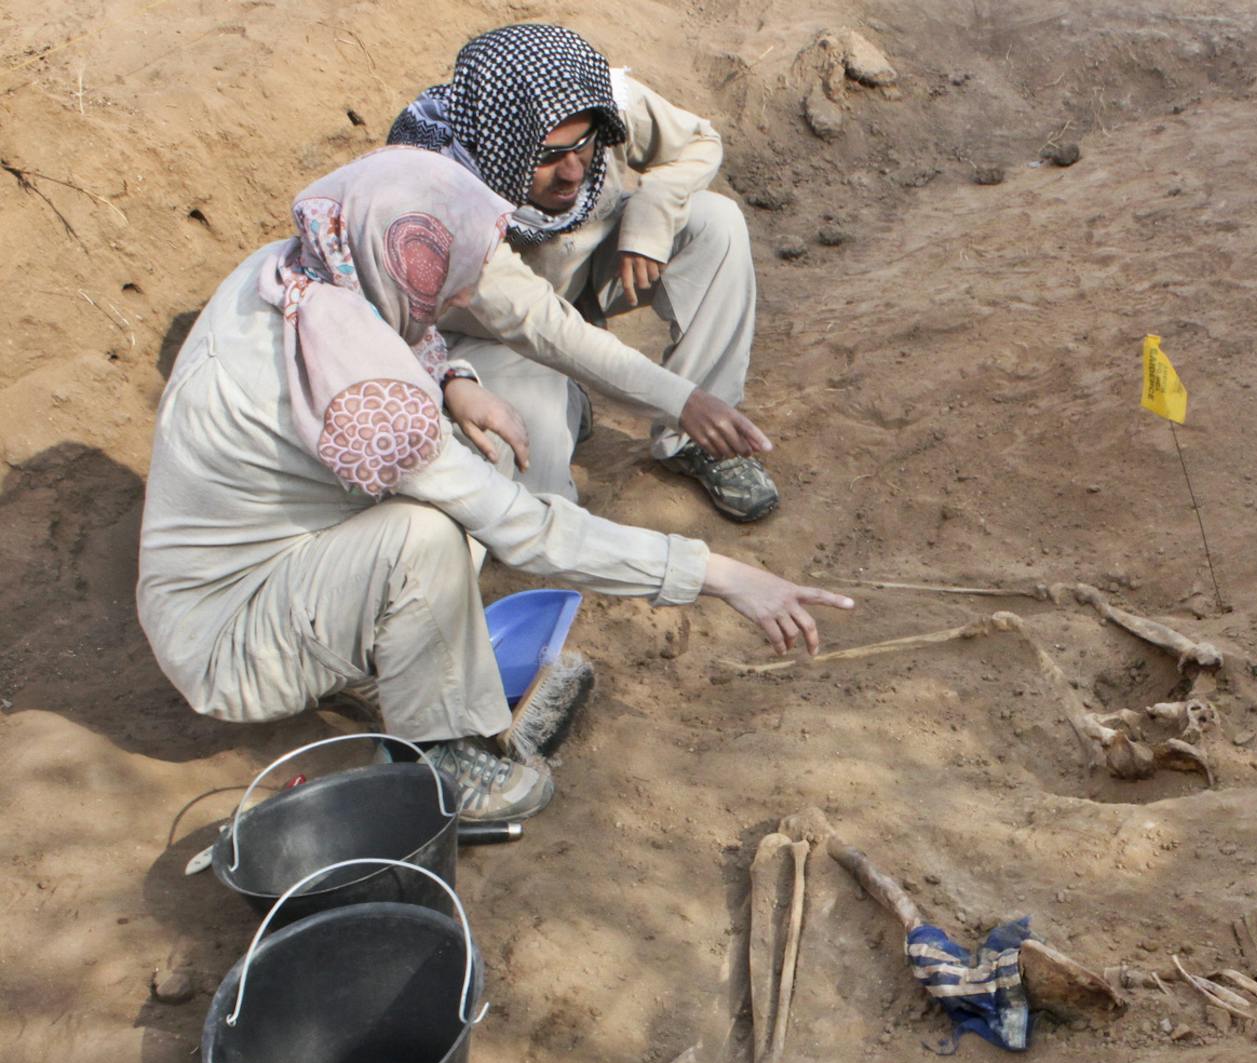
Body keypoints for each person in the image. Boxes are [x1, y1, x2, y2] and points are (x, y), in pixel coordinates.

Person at [136, 147, 849, 820]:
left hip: (240, 575)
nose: (470, 293)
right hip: (228, 642)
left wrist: (453, 377)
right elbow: (528, 530)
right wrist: (723, 577)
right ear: (404, 261)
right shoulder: (371, 407)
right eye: (458, 277)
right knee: (430, 535)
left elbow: (401, 337)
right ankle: (444, 759)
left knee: (442, 495)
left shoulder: (302, 271)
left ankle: (384, 656)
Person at [387, 25, 778, 523]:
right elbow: (543, 327)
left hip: (586, 277)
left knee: (715, 223)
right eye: (548, 157)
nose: (573, 172)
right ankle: (568, 401)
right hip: (494, 335)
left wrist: (652, 212)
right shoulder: (442, 192)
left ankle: (697, 443)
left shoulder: (596, 99)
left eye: (584, 147)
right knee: (535, 502)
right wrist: (681, 398)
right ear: (501, 146)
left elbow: (700, 140)